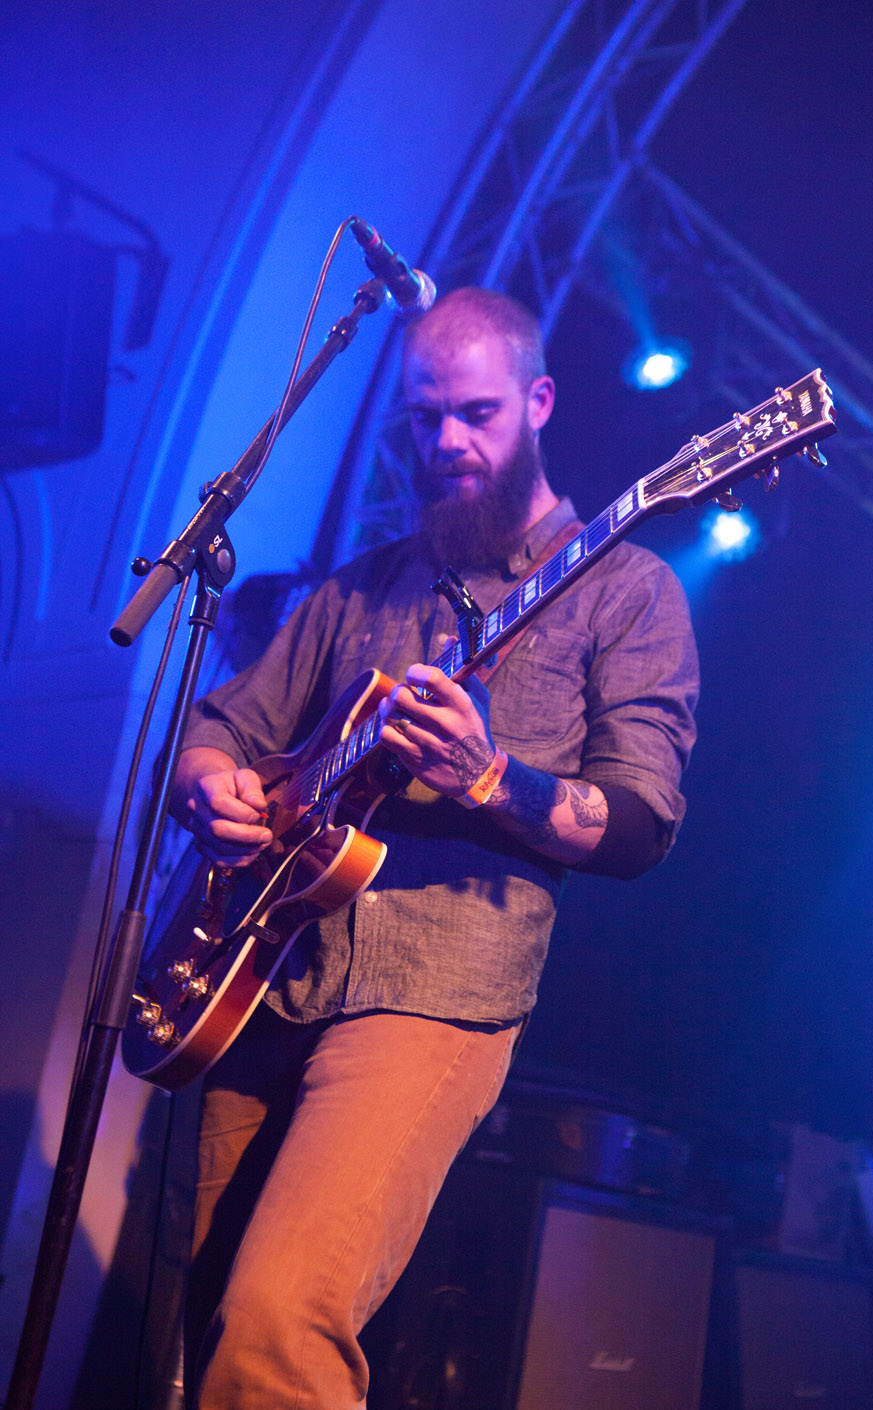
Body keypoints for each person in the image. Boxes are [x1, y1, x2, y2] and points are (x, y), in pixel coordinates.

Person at [173, 286, 699, 1408]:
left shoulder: (628, 590)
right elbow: (220, 727)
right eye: (424, 419)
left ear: (539, 401)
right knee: (209, 1325)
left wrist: (491, 777)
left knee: (278, 1321)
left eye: (476, 413)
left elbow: (640, 823)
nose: (447, 443)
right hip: (265, 976)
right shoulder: (364, 584)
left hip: (436, 993)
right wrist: (213, 790)